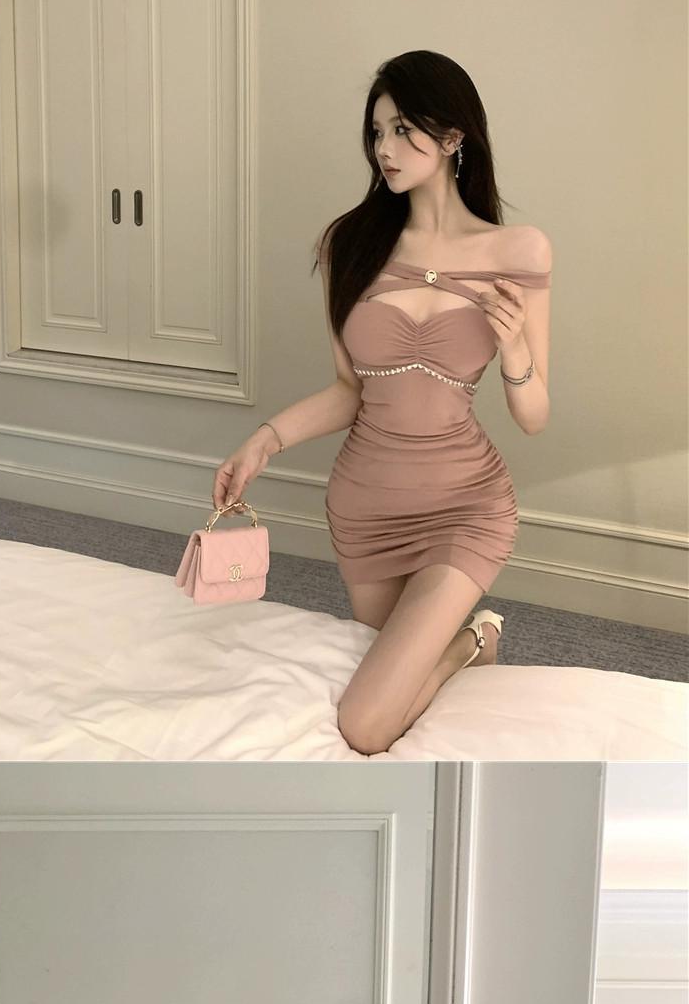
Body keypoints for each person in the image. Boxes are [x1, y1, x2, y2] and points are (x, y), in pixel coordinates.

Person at [213, 50, 551, 754]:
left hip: (465, 505)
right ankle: (465, 644)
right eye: (377, 132)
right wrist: (264, 441)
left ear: (452, 137)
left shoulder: (518, 250)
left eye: (403, 130)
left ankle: (469, 642)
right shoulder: (350, 244)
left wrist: (516, 350)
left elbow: (534, 415)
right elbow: (350, 392)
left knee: (366, 723)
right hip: (366, 511)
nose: (384, 149)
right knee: (394, 673)